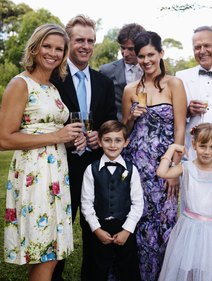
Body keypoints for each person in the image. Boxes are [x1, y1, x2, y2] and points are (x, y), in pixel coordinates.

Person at [0, 23, 86, 281]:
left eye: (59, 48)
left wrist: (71, 141)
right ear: (35, 48)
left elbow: (49, 133)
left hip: (57, 174)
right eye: (47, 46)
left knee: (50, 250)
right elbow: (4, 138)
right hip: (34, 175)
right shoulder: (20, 83)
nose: (53, 53)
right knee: (44, 250)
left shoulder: (52, 87)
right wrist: (57, 136)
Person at [51, 14, 117, 281]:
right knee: (59, 228)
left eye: (90, 40)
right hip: (60, 165)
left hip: (94, 166)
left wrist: (98, 137)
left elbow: (110, 122)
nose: (85, 46)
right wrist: (63, 138)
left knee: (94, 229)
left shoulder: (103, 82)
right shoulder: (53, 77)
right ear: (68, 41)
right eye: (79, 40)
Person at [122, 31, 187, 280]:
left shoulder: (174, 84)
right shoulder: (131, 89)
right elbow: (125, 131)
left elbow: (180, 127)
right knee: (136, 220)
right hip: (136, 164)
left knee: (164, 221)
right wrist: (130, 118)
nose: (146, 60)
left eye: (151, 54)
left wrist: (174, 168)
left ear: (161, 53)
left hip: (163, 165)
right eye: (141, 56)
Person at [157, 123, 212, 281]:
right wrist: (172, 149)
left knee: (206, 270)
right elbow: (162, 172)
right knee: (186, 270)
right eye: (203, 146)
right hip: (188, 230)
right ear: (194, 145)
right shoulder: (187, 167)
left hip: (211, 232)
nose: (207, 151)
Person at [80, 120, 143, 281]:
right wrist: (97, 230)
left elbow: (138, 203)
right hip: (100, 228)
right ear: (100, 142)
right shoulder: (91, 170)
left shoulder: (132, 170)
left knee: (129, 271)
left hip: (124, 227)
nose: (113, 145)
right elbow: (86, 204)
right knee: (97, 270)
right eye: (107, 140)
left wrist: (127, 230)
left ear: (126, 142)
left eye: (118, 140)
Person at [176, 26, 212, 168]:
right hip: (191, 155)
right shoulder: (181, 77)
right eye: (197, 47)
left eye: (207, 46)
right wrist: (189, 111)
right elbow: (174, 119)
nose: (202, 51)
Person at [100, 23, 146, 121]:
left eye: (131, 49)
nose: (125, 53)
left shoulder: (153, 70)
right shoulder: (106, 71)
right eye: (122, 48)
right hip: (119, 130)